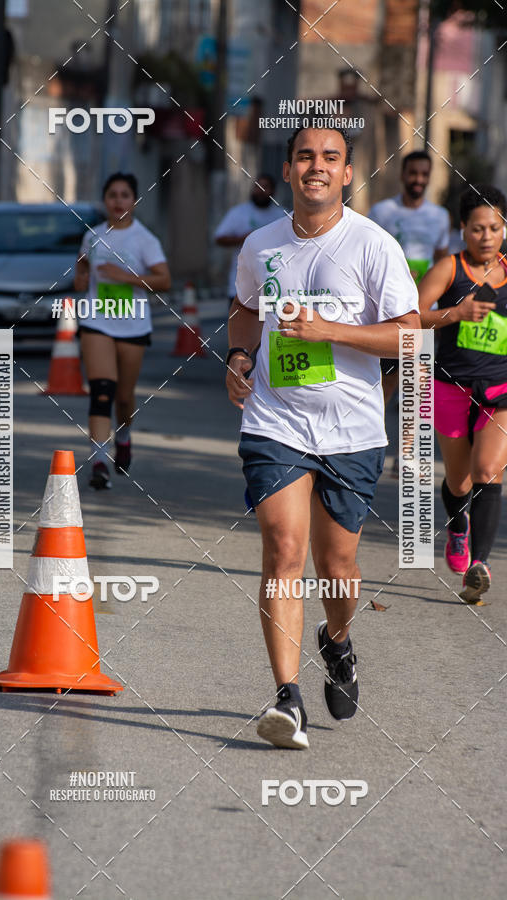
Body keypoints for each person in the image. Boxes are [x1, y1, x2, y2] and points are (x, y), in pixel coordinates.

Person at [225, 126, 419, 749]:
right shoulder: (260, 244)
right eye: (305, 156)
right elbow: (243, 309)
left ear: (346, 174)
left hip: (353, 430)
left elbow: (410, 335)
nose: (316, 166)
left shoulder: (373, 245)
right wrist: (237, 354)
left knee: (338, 570)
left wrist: (332, 331)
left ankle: (336, 641)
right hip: (274, 421)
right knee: (284, 548)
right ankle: (288, 699)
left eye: (329, 158)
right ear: (287, 170)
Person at [418, 184, 507, 605]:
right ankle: (458, 527)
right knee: (459, 480)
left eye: (494, 227)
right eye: (477, 229)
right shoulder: (448, 269)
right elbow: (410, 316)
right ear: (462, 230)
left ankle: (481, 565)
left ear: (504, 229)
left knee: (488, 470)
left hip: (499, 391)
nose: (486, 236)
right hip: (451, 386)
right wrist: (457, 312)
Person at [74, 173, 171, 489]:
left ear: (135, 201)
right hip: (96, 322)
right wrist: (81, 273)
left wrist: (125, 276)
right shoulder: (93, 236)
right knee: (102, 391)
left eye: (125, 195)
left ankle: (124, 437)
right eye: (112, 195)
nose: (118, 201)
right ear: (105, 200)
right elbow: (84, 271)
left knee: (124, 399)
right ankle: (99, 460)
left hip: (132, 323)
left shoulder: (145, 240)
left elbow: (163, 281)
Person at [368, 151, 450, 473]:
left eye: (423, 174)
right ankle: (368, 448)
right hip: (386, 314)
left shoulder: (439, 216)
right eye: (412, 173)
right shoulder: (382, 211)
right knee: (383, 387)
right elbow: (368, 255)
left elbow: (443, 261)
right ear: (403, 175)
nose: (418, 179)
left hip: (421, 315)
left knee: (417, 386)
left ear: (428, 177)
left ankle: (405, 455)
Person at [214, 174, 286, 305]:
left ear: (273, 191)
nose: (260, 191)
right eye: (257, 187)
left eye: (265, 187)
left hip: (274, 288)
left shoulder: (282, 215)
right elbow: (219, 238)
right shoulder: (239, 213)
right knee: (239, 325)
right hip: (240, 287)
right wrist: (243, 239)